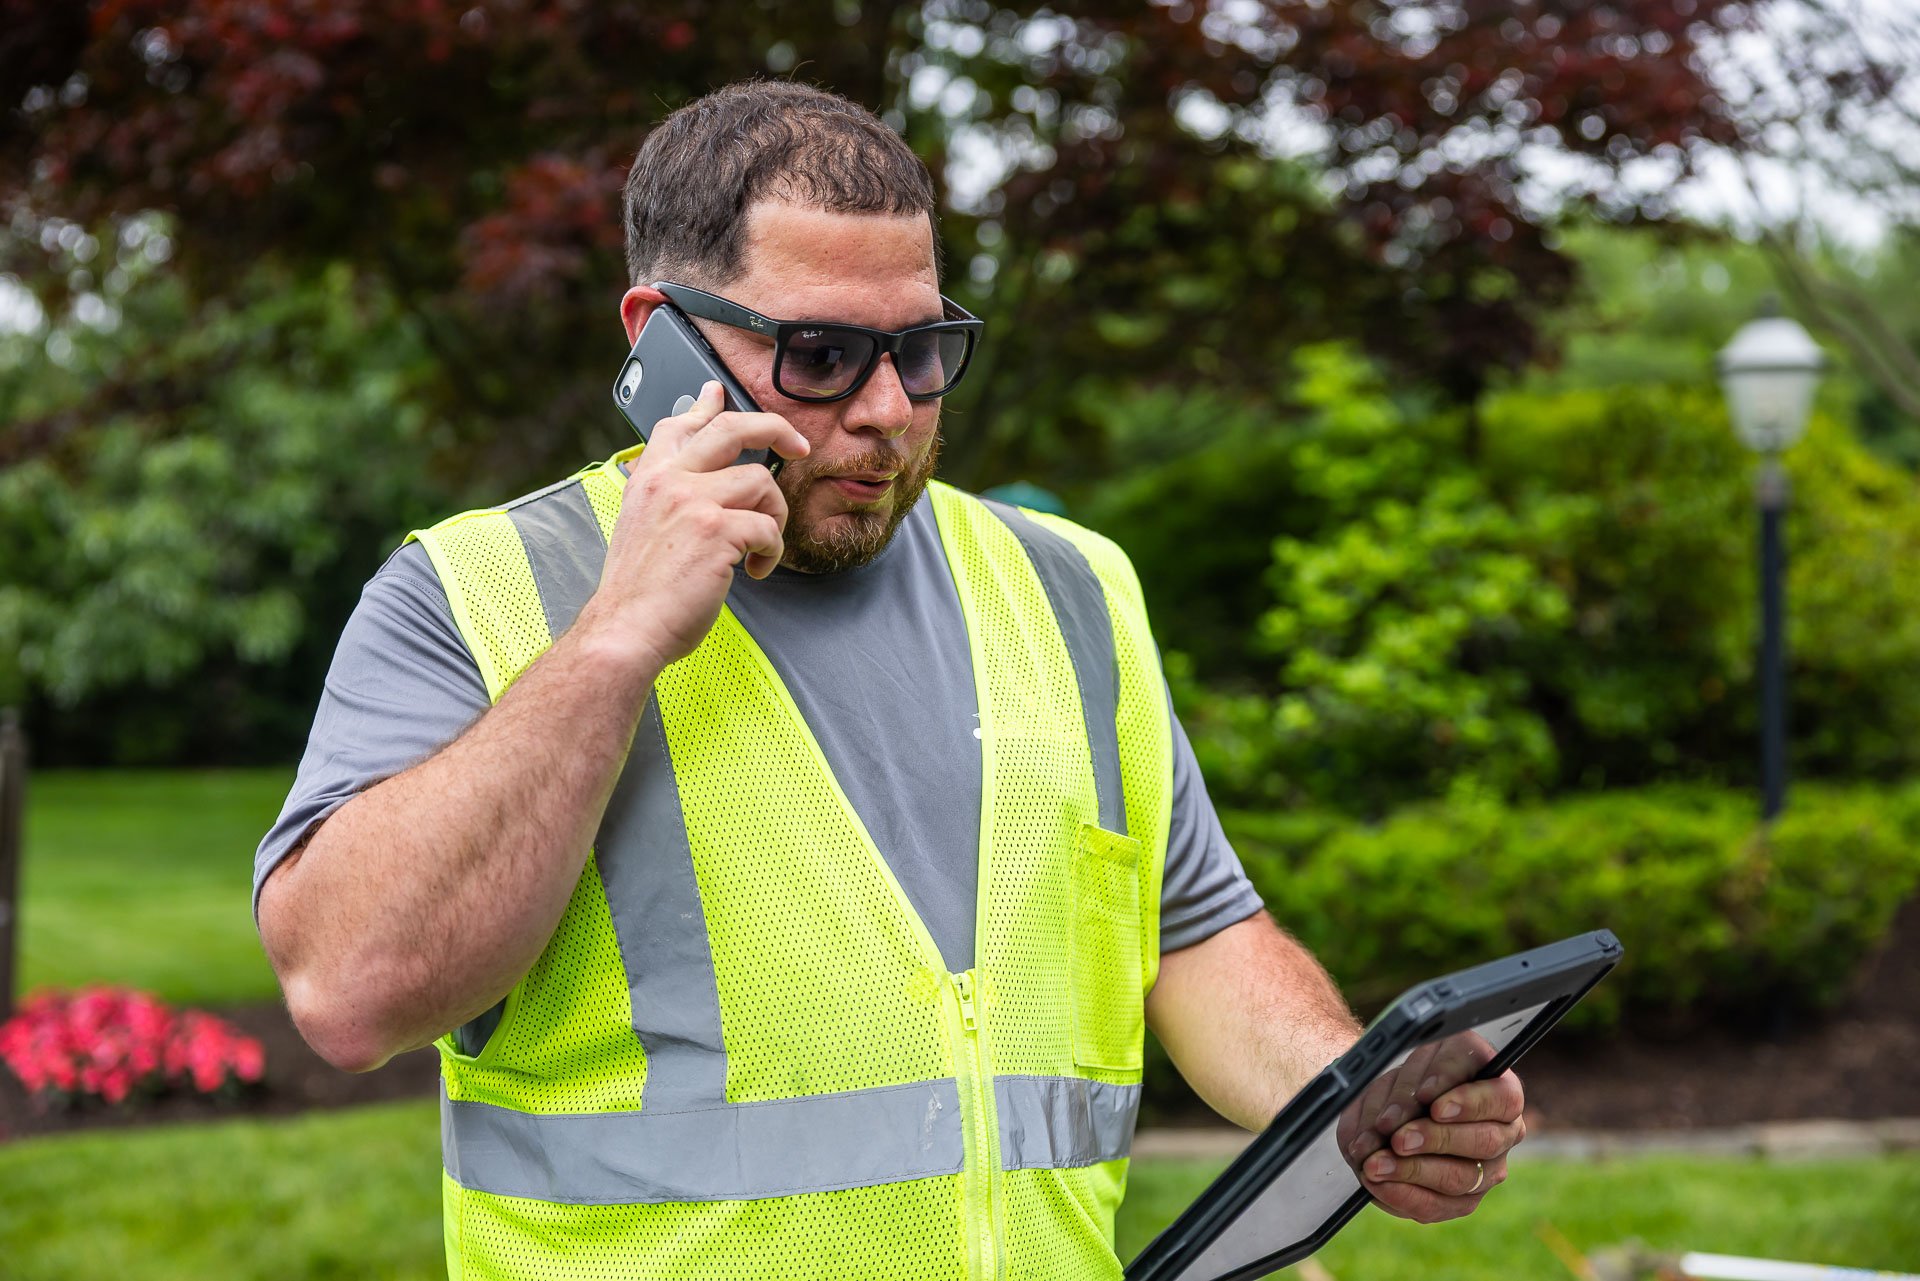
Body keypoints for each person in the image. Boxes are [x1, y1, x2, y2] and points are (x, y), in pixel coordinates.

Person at [254, 80, 1525, 1280]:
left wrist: (1356, 1090)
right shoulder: (474, 593)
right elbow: (349, 996)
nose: (886, 410)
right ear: (660, 338)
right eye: (820, 353)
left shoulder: (1073, 588)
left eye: (920, 350)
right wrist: (614, 640)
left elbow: (1188, 938)